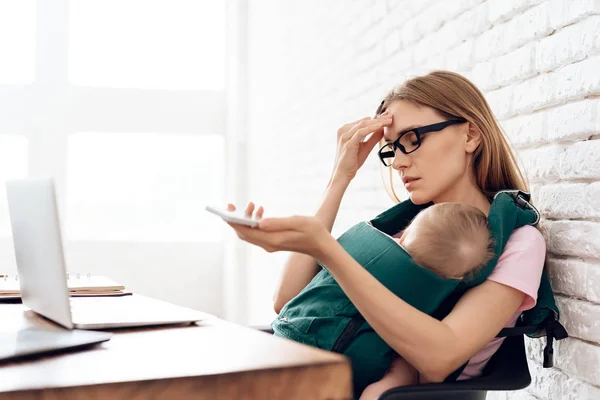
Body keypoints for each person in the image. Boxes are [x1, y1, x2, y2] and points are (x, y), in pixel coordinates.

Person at [224, 70, 546, 398]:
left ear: (470, 135)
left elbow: (440, 358)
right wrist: (340, 177)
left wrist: (327, 250)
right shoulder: (406, 227)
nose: (399, 163)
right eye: (393, 149)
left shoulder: (517, 242)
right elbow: (288, 301)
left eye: (412, 140)